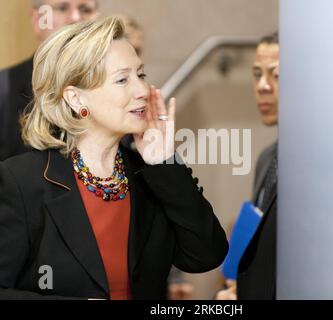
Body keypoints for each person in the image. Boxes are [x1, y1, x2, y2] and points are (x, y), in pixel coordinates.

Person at [0, 16, 228, 300]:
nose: (142, 91)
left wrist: (165, 162)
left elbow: (206, 255)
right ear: (75, 98)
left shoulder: (151, 175)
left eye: (141, 75)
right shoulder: (20, 181)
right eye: (123, 79)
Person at [216, 32, 279, 300]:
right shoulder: (268, 158)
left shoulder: (318, 164)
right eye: (256, 74)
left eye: (276, 75)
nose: (263, 86)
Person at [0, 0, 99, 161]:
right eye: (61, 8)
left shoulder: (118, 88)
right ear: (37, 19)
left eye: (85, 9)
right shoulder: (4, 87)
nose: (75, 18)